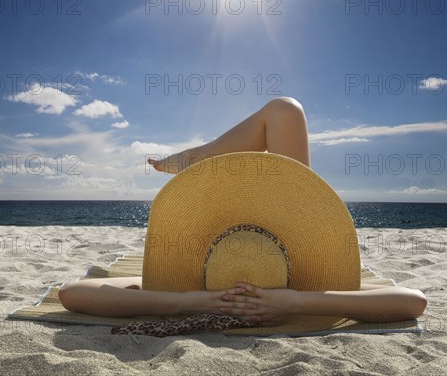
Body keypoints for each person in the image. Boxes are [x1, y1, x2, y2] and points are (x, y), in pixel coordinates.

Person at [58, 97, 427, 326]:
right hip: (287, 241)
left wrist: (190, 301)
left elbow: (71, 294)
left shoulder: (189, 284)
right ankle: (198, 159)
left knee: (283, 110)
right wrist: (297, 300)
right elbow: (413, 303)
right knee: (284, 110)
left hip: (218, 258)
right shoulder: (309, 284)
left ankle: (198, 159)